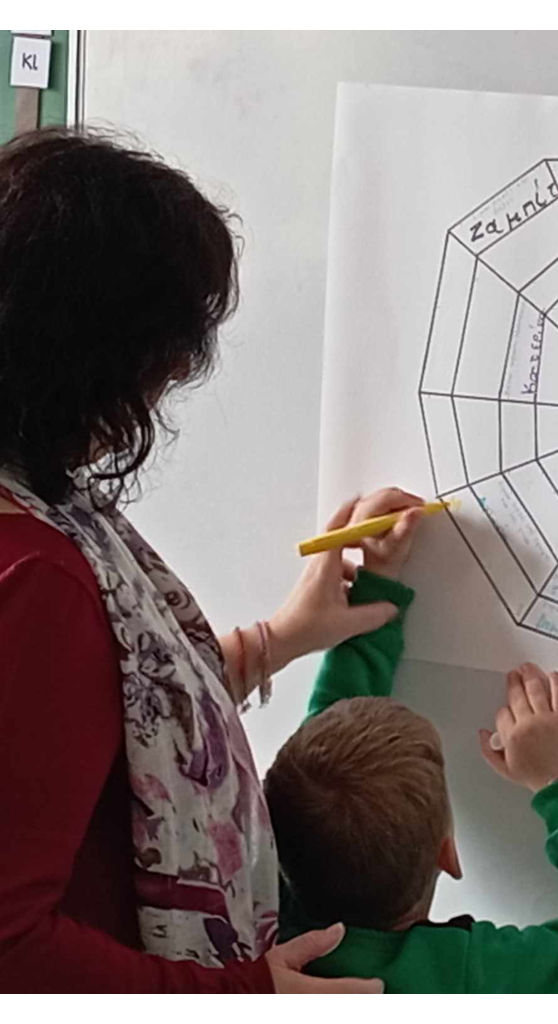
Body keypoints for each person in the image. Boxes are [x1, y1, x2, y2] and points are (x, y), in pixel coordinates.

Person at [0, 126, 393, 993]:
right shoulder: (39, 584)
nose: (173, 379)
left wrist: (284, 636)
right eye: (164, 357)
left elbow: (102, 719)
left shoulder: (31, 501)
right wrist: (247, 990)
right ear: (90, 355)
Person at [264, 495, 558, 994]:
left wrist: (377, 586)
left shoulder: (259, 932)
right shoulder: (462, 975)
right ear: (448, 854)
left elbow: (324, 758)